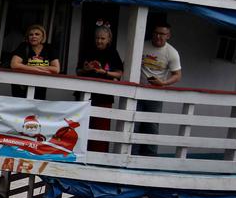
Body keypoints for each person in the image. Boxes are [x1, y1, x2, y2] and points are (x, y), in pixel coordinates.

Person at [136, 23, 183, 156]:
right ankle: (131, 154)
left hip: (155, 94)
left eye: (162, 34)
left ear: (168, 36)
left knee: (151, 126)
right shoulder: (142, 45)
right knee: (134, 124)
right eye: (156, 33)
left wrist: (162, 83)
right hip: (137, 91)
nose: (158, 36)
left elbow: (177, 75)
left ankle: (149, 158)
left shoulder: (172, 52)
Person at [77, 24, 126, 152]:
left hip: (104, 96)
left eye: (102, 39)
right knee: (82, 126)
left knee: (101, 129)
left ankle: (98, 155)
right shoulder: (88, 50)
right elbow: (78, 71)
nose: (99, 41)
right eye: (97, 38)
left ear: (109, 39)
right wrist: (85, 69)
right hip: (85, 94)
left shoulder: (112, 52)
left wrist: (103, 72)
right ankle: (80, 153)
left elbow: (119, 73)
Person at [9, 24, 60, 97]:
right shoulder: (23, 46)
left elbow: (56, 69)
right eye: (31, 34)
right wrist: (38, 69)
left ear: (42, 37)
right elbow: (14, 64)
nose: (34, 36)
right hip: (21, 85)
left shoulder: (49, 48)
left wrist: (30, 67)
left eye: (37, 34)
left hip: (41, 85)